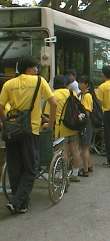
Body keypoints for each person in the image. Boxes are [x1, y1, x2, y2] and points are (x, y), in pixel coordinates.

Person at [0, 56, 56, 214]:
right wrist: (50, 124)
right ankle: (17, 202)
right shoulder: (39, 81)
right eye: (35, 67)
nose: (37, 70)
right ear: (29, 68)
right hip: (30, 131)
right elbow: (53, 103)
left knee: (14, 168)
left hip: (11, 131)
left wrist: (5, 123)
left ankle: (22, 204)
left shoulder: (9, 83)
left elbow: (1, 106)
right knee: (31, 169)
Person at [44, 75, 82, 182]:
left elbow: (48, 114)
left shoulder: (53, 95)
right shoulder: (72, 93)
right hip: (73, 126)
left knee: (62, 152)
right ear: (65, 84)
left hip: (60, 127)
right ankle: (75, 174)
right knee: (75, 150)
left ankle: (62, 175)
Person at [78, 76, 94, 177]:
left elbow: (86, 113)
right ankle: (89, 165)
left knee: (84, 147)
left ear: (86, 84)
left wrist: (80, 120)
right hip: (87, 124)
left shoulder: (87, 96)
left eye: (81, 83)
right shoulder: (84, 95)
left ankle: (85, 170)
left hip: (86, 124)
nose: (79, 84)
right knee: (86, 147)